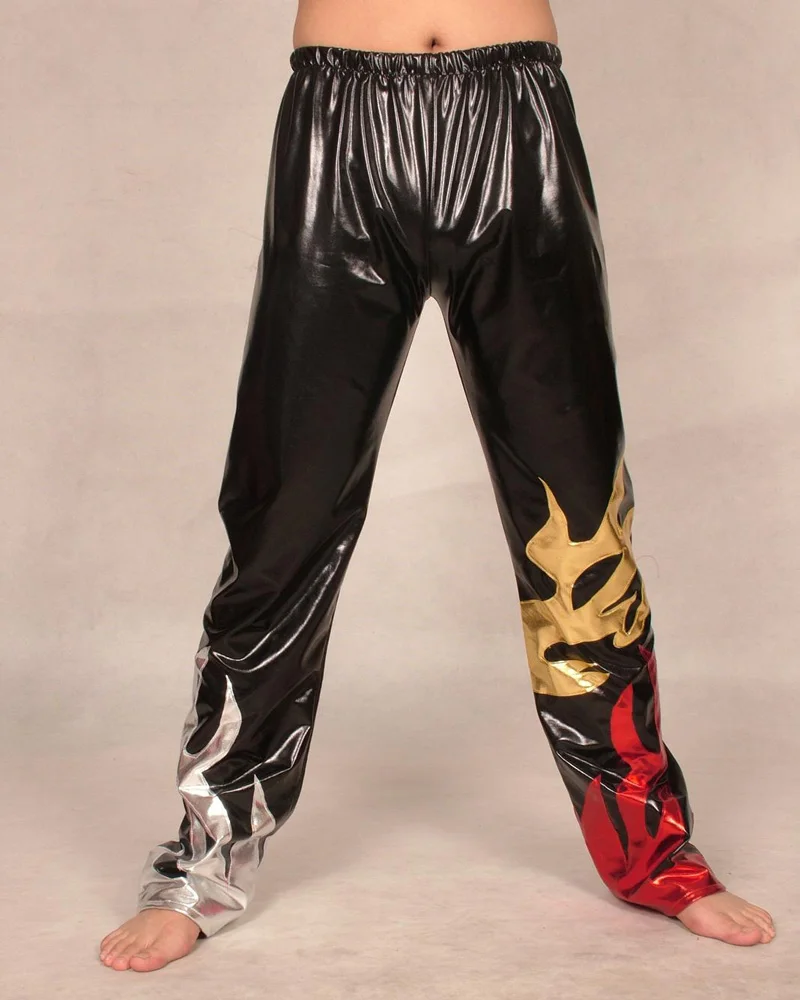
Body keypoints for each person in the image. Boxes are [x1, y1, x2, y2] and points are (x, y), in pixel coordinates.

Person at [99, 0, 776, 973]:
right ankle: (203, 863)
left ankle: (654, 855)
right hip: (340, 129)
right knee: (284, 513)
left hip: (515, 122)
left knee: (576, 515)